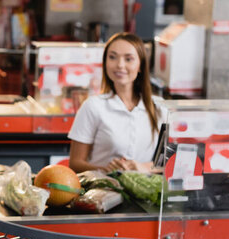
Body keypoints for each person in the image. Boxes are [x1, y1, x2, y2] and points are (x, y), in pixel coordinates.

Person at [68, 33, 162, 174]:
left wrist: (142, 167)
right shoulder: (93, 106)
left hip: (146, 193)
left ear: (140, 65)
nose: (120, 65)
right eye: (112, 57)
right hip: (103, 191)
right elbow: (75, 163)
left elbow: (168, 163)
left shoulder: (160, 108)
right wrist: (106, 170)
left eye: (128, 59)